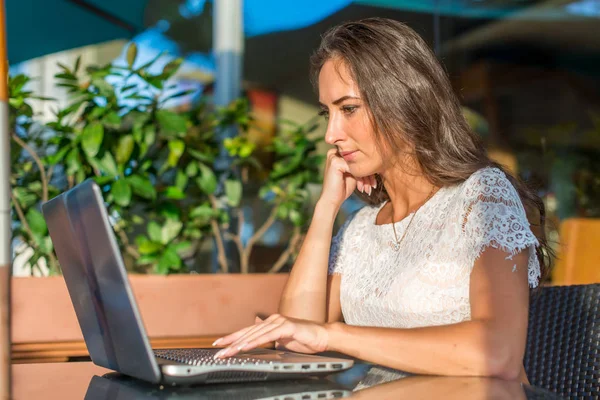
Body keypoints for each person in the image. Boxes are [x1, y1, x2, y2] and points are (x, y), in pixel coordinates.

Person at [211, 18, 553, 383]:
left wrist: (334, 335)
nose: (331, 134)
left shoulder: (481, 198)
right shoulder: (361, 230)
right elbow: (297, 339)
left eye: (349, 109)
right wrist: (326, 210)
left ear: (401, 101)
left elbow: (497, 352)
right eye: (328, 113)